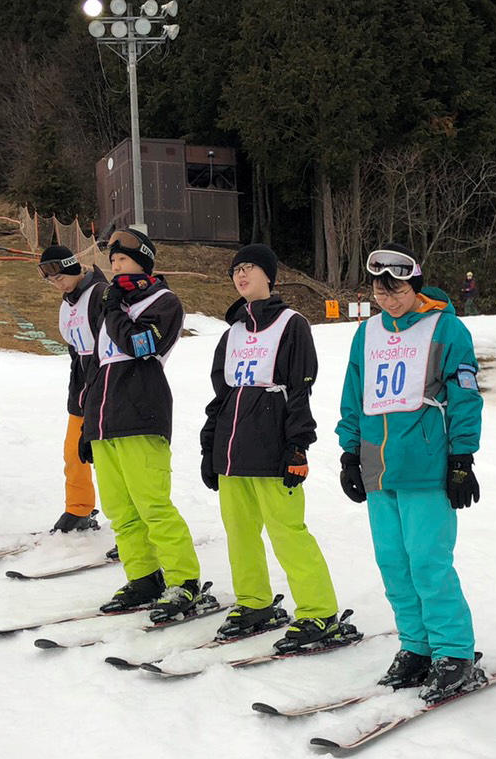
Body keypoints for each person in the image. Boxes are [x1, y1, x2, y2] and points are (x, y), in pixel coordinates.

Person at [335, 245, 484, 703]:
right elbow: (354, 392)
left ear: (414, 285)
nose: (388, 296)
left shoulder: (447, 328)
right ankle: (417, 647)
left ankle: (454, 652)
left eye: (396, 287)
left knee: (427, 561)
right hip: (378, 464)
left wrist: (462, 458)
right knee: (393, 563)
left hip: (426, 463)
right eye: (380, 287)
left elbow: (465, 395)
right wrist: (348, 452)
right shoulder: (367, 333)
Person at [200, 243, 354, 649]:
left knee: (287, 531)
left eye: (250, 267)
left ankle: (319, 612)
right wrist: (209, 448)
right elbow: (221, 395)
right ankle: (254, 603)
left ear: (270, 276)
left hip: (272, 448)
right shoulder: (231, 333)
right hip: (232, 453)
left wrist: (298, 448)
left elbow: (301, 391)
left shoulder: (292, 324)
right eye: (236, 269)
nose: (241, 275)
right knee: (240, 532)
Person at [79, 229, 205, 622]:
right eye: (112, 261)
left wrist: (114, 309)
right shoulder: (108, 304)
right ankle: (144, 577)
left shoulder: (164, 302)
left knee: (153, 505)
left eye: (122, 260)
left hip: (141, 416)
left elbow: (139, 346)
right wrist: (87, 424)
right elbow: (98, 368)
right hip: (105, 419)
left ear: (143, 263)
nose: (114, 266)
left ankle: (184, 581)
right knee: (120, 510)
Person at [39, 244, 106, 533]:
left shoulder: (99, 293)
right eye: (52, 282)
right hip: (80, 380)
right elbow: (73, 347)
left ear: (71, 267)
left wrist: (98, 382)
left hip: (103, 378)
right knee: (73, 451)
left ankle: (133, 518)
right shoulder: (68, 302)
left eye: (59, 278)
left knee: (105, 453)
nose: (57, 285)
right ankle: (78, 508)